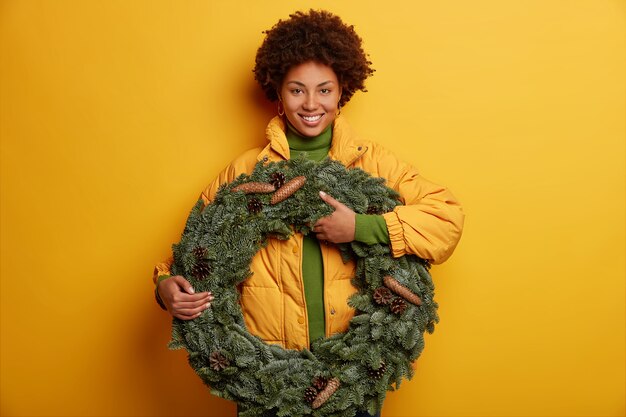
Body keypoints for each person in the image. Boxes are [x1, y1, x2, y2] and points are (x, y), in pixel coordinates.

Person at [153, 10, 464, 417]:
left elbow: (447, 220)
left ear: (342, 92)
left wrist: (363, 226)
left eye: (324, 90)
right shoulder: (247, 172)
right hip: (266, 383)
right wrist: (164, 288)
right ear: (277, 93)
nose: (312, 104)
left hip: (353, 377)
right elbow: (197, 251)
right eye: (297, 90)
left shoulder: (372, 164)